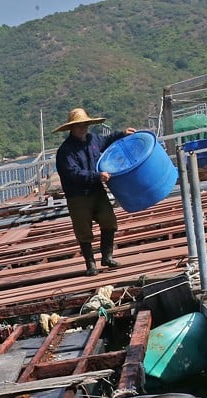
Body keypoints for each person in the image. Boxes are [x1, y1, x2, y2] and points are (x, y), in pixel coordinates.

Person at [53, 107, 135, 276]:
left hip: (97, 191)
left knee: (109, 222)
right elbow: (73, 173)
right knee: (84, 231)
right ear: (72, 128)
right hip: (77, 196)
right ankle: (90, 264)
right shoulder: (65, 151)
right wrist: (97, 176)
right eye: (79, 125)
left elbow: (107, 140)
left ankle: (107, 257)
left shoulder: (93, 139)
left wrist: (122, 133)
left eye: (85, 124)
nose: (83, 128)